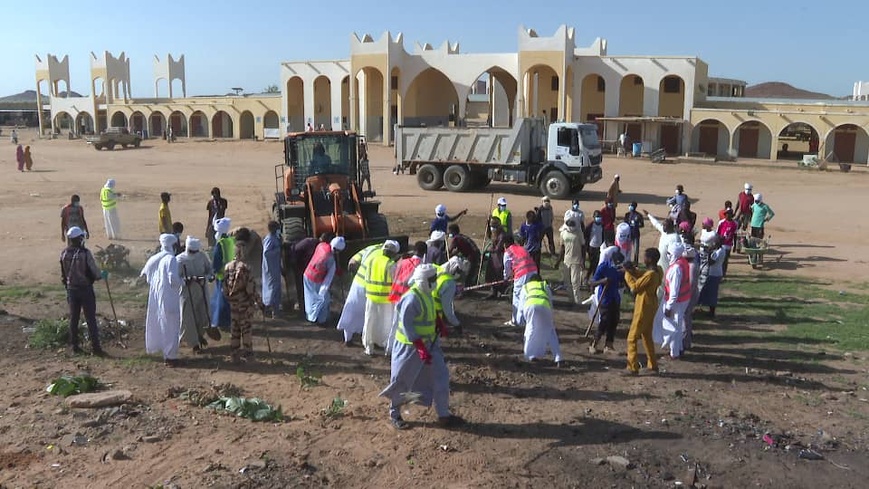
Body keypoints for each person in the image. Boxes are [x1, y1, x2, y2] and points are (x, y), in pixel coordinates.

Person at [379, 264, 464, 430]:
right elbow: (407, 326)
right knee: (402, 380)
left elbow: (431, 311)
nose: (435, 282)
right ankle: (394, 413)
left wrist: (439, 324)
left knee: (441, 377)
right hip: (409, 348)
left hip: (430, 344)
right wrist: (419, 346)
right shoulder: (411, 299)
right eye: (432, 279)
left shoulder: (428, 293)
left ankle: (443, 415)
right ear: (423, 280)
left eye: (435, 278)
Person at [60, 226, 106, 356]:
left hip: (71, 290)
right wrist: (102, 275)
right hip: (85, 289)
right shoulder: (85, 254)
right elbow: (94, 273)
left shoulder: (64, 253)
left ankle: (74, 346)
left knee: (73, 318)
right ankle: (96, 348)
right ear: (79, 239)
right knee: (90, 318)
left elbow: (63, 275)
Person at [337, 241, 392, 346]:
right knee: (371, 314)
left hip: (358, 283)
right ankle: (371, 340)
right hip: (373, 289)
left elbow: (352, 261)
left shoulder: (371, 248)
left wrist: (352, 273)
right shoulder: (388, 258)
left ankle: (348, 339)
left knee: (352, 311)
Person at [140, 234, 183, 367]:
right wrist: (183, 282)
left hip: (156, 297)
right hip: (169, 296)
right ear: (173, 245)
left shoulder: (155, 258)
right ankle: (171, 357)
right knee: (171, 325)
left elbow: (147, 277)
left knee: (161, 323)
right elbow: (173, 280)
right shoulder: (171, 259)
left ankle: (165, 352)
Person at [622, 248, 663, 375]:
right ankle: (653, 364)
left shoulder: (650, 275)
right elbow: (643, 275)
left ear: (649, 259)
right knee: (646, 336)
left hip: (643, 305)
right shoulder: (658, 270)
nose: (643, 259)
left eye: (644, 257)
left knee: (632, 337)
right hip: (652, 305)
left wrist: (628, 274)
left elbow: (635, 287)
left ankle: (632, 366)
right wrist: (634, 271)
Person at [223, 241, 261, 363]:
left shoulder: (227, 267)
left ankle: (234, 355)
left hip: (233, 304)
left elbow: (224, 287)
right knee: (246, 329)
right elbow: (250, 289)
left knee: (234, 329)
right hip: (244, 305)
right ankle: (248, 355)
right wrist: (259, 303)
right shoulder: (245, 268)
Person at [653, 241, 691, 360]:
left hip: (676, 301)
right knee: (677, 326)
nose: (667, 255)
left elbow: (674, 291)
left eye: (669, 253)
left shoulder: (676, 269)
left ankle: (674, 353)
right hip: (682, 299)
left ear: (674, 254)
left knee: (672, 327)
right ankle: (677, 349)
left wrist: (669, 307)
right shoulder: (682, 262)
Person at [362, 240, 400, 355]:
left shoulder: (372, 260)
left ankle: (369, 347)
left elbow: (366, 277)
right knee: (386, 323)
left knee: (370, 321)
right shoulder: (391, 264)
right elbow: (395, 282)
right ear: (393, 253)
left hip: (371, 297)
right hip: (386, 299)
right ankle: (385, 345)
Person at [177, 236, 213, 353]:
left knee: (203, 316)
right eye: (192, 251)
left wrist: (206, 277)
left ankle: (199, 335)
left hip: (201, 290)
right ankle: (194, 344)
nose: (194, 253)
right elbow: (176, 278)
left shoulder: (202, 256)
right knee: (189, 318)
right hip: (187, 292)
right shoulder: (179, 259)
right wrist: (187, 279)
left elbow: (210, 270)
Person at [588, 246, 624, 354]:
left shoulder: (619, 269)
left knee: (614, 321)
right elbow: (592, 283)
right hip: (605, 299)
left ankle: (609, 345)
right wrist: (604, 281)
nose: (618, 263)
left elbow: (621, 282)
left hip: (615, 298)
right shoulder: (603, 267)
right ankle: (593, 343)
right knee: (604, 321)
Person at [520, 273, 562, 365]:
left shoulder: (526, 287)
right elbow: (550, 302)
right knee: (551, 332)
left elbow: (521, 305)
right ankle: (558, 357)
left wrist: (523, 319)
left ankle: (529, 355)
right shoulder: (544, 285)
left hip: (530, 306)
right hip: (544, 306)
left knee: (530, 329)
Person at [303, 236, 345, 324]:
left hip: (307, 274)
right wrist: (323, 290)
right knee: (324, 300)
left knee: (310, 299)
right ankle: (322, 320)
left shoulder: (321, 246)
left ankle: (311, 316)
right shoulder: (331, 260)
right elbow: (328, 279)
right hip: (316, 279)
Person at [503, 234, 539, 327]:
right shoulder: (522, 248)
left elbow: (507, 269)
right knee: (530, 295)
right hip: (533, 271)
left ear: (505, 244)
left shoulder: (508, 252)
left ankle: (517, 321)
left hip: (522, 273)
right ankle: (530, 319)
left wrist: (506, 278)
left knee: (518, 297)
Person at [289, 234, 330, 312]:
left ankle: (311, 307)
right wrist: (296, 264)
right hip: (299, 265)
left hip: (309, 268)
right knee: (300, 287)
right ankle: (302, 307)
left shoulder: (322, 249)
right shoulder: (308, 242)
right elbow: (294, 249)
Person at [210, 217, 235, 331]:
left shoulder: (220, 244)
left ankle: (222, 322)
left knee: (221, 300)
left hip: (222, 275)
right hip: (231, 273)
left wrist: (213, 271)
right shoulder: (231, 240)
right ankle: (227, 320)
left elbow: (217, 260)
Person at [433, 256, 469, 336]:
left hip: (425, 309)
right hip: (435, 315)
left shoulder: (437, 269)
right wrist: (457, 324)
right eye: (459, 271)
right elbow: (448, 310)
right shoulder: (449, 283)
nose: (459, 274)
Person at [644, 209, 680, 276]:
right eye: (663, 225)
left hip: (668, 263)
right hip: (660, 261)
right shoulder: (664, 232)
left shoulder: (675, 237)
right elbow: (656, 224)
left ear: (670, 226)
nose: (663, 227)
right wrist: (648, 215)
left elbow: (674, 253)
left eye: (665, 225)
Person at [558, 217, 585, 306]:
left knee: (575, 283)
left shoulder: (579, 233)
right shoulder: (563, 233)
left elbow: (583, 247)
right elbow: (562, 248)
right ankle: (571, 300)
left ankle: (578, 303)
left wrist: (583, 260)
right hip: (567, 261)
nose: (572, 228)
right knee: (567, 282)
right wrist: (558, 261)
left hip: (576, 261)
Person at [697, 234, 724, 318]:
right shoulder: (720, 250)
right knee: (709, 292)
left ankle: (712, 313)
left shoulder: (719, 252)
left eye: (715, 241)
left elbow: (711, 262)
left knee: (712, 293)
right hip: (715, 273)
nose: (713, 243)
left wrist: (709, 253)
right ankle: (707, 310)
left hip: (714, 274)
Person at [261, 221, 282, 318]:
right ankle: (269, 309)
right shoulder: (269, 239)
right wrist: (278, 249)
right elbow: (267, 253)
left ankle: (275, 310)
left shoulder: (274, 238)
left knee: (276, 288)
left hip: (275, 267)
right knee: (272, 288)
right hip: (270, 268)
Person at [484, 217, 508, 300]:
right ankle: (493, 292)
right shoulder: (494, 233)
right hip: (492, 258)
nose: (492, 228)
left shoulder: (502, 235)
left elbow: (498, 248)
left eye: (493, 226)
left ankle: (502, 292)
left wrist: (489, 250)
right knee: (492, 274)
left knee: (498, 275)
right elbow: (489, 236)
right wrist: (487, 225)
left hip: (499, 257)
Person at [584, 210, 605, 283]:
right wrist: (586, 247)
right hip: (591, 247)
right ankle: (588, 277)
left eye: (600, 217)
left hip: (599, 247)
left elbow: (603, 236)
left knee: (596, 263)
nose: (598, 218)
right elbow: (585, 236)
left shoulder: (602, 226)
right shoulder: (590, 226)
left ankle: (593, 278)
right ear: (594, 217)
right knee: (592, 263)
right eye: (597, 217)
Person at [716, 209, 738, 276]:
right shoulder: (721, 222)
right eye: (726, 214)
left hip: (728, 244)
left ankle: (723, 273)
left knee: (725, 260)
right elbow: (717, 233)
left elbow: (735, 234)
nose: (727, 215)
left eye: (729, 214)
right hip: (721, 244)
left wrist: (735, 245)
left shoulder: (735, 223)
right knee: (719, 259)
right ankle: (719, 272)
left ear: (732, 215)